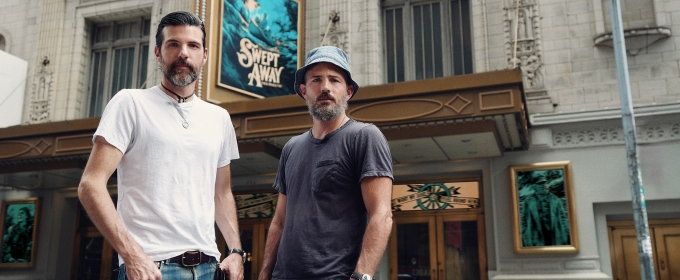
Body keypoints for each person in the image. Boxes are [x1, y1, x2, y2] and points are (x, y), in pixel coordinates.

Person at [78, 11, 244, 280]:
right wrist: (132, 255)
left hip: (209, 269)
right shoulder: (130, 103)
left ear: (205, 55)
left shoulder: (219, 118)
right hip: (151, 269)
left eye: (193, 45)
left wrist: (236, 250)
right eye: (173, 44)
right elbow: (90, 185)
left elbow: (221, 193)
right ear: (158, 52)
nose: (183, 53)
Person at [258, 46, 394, 280]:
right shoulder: (291, 148)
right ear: (303, 90)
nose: (325, 88)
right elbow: (279, 222)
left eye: (335, 80)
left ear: (349, 91)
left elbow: (381, 215)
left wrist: (362, 276)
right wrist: (264, 274)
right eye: (316, 80)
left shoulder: (364, 137)